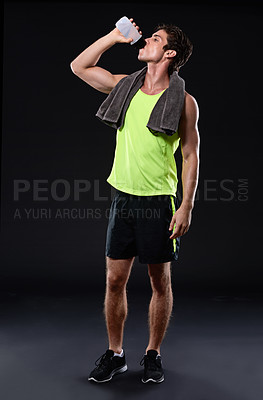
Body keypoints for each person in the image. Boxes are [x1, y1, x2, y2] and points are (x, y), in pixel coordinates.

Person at [70, 17, 200, 384]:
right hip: (123, 198)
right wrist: (113, 36)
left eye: (154, 39)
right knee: (114, 281)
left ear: (169, 53)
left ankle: (153, 354)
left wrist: (186, 206)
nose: (144, 40)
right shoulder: (123, 88)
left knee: (160, 281)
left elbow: (191, 155)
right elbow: (79, 67)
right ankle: (116, 354)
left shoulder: (184, 103)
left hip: (158, 201)